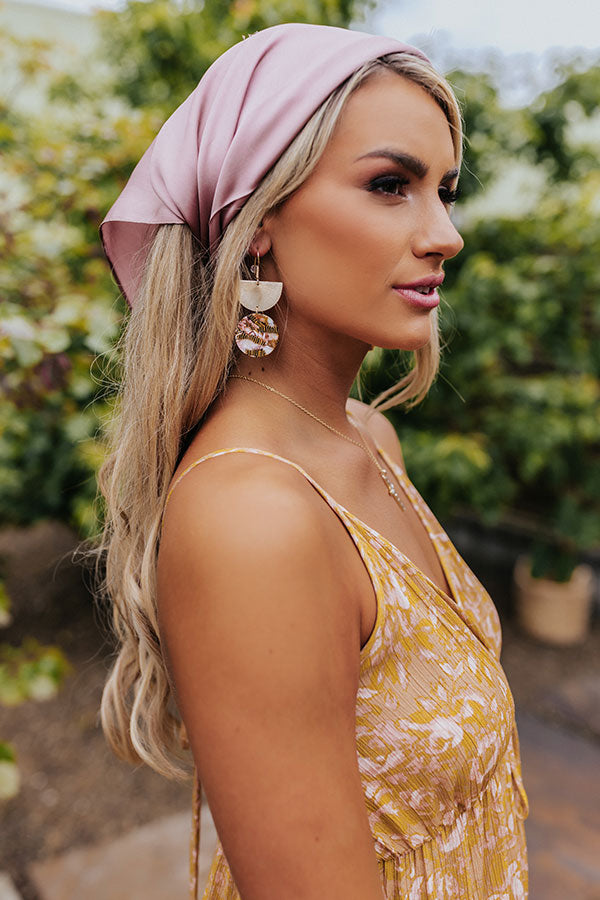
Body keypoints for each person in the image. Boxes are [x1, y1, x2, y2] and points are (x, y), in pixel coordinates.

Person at [97, 22, 530, 900]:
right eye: (390, 185)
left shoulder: (367, 437)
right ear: (259, 223)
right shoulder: (254, 518)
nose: (445, 234)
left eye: (444, 190)